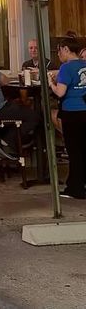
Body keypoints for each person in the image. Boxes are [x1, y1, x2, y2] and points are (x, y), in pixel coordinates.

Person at [52, 39, 86, 199]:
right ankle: (78, 184)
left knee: (74, 151)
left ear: (66, 49)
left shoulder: (66, 68)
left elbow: (60, 92)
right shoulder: (84, 64)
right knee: (83, 149)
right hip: (84, 109)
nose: (59, 54)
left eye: (59, 51)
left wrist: (51, 83)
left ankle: (76, 188)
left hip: (72, 112)